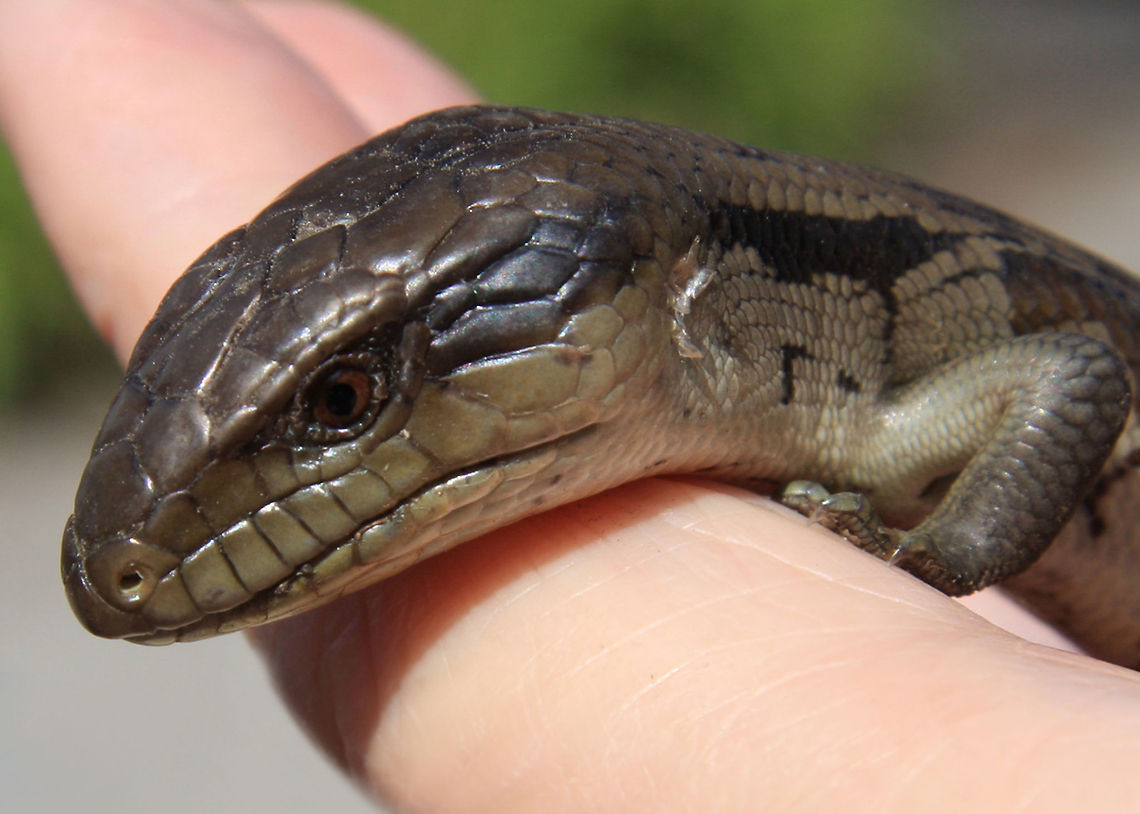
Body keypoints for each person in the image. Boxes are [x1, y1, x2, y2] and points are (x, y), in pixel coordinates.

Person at [3, 1, 1137, 810]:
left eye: (346, 399)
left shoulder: (898, 411)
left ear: (632, 300)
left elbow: (1074, 375)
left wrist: (938, 561)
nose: (133, 560)